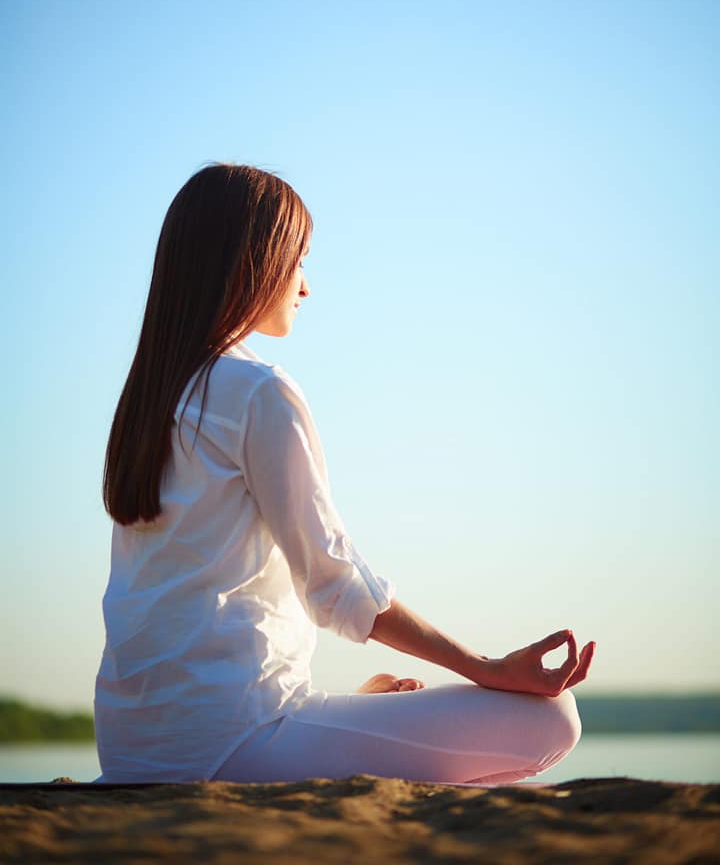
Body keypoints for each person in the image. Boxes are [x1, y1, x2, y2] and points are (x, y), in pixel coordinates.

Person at [94, 163, 595, 785]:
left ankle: (332, 731)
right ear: (253, 262)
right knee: (555, 720)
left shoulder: (149, 401)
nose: (305, 286)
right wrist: (488, 667)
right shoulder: (258, 392)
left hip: (130, 749)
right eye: (298, 260)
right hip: (233, 740)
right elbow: (336, 586)